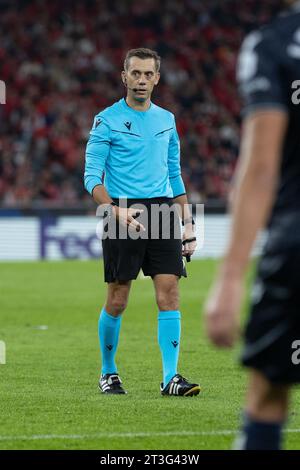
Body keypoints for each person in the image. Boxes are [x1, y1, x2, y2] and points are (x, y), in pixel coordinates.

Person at [205, 0, 300, 450]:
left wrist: (229, 277)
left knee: (268, 394)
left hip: (295, 245)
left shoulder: (275, 43)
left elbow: (260, 168)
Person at [84, 48, 200, 397]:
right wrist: (113, 211)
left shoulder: (167, 120)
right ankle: (108, 372)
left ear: (157, 79)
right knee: (118, 298)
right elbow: (91, 177)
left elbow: (175, 175)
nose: (142, 80)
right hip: (121, 211)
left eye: (148, 74)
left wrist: (188, 224)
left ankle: (170, 378)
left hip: (163, 210)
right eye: (135, 73)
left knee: (170, 293)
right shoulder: (106, 120)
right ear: (124, 77)